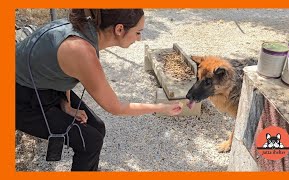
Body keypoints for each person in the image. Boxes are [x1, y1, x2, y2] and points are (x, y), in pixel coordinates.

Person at [16, 9, 182, 171]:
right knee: (90, 142)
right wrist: (162, 108)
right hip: (20, 96)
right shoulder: (81, 51)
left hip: (45, 85)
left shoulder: (82, 28)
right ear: (119, 29)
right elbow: (117, 108)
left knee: (98, 128)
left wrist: (67, 106)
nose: (139, 39)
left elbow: (63, 74)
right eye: (138, 32)